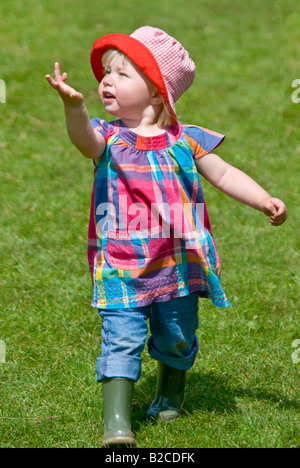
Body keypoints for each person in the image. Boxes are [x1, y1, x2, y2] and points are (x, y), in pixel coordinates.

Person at [46, 26, 287, 447]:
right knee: (121, 338)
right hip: (121, 264)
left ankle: (170, 393)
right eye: (106, 72)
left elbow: (225, 174)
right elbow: (84, 141)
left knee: (176, 334)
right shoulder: (109, 137)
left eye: (122, 74)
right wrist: (74, 109)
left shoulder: (186, 139)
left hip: (179, 264)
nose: (106, 81)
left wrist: (264, 199)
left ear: (158, 94)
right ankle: (117, 424)